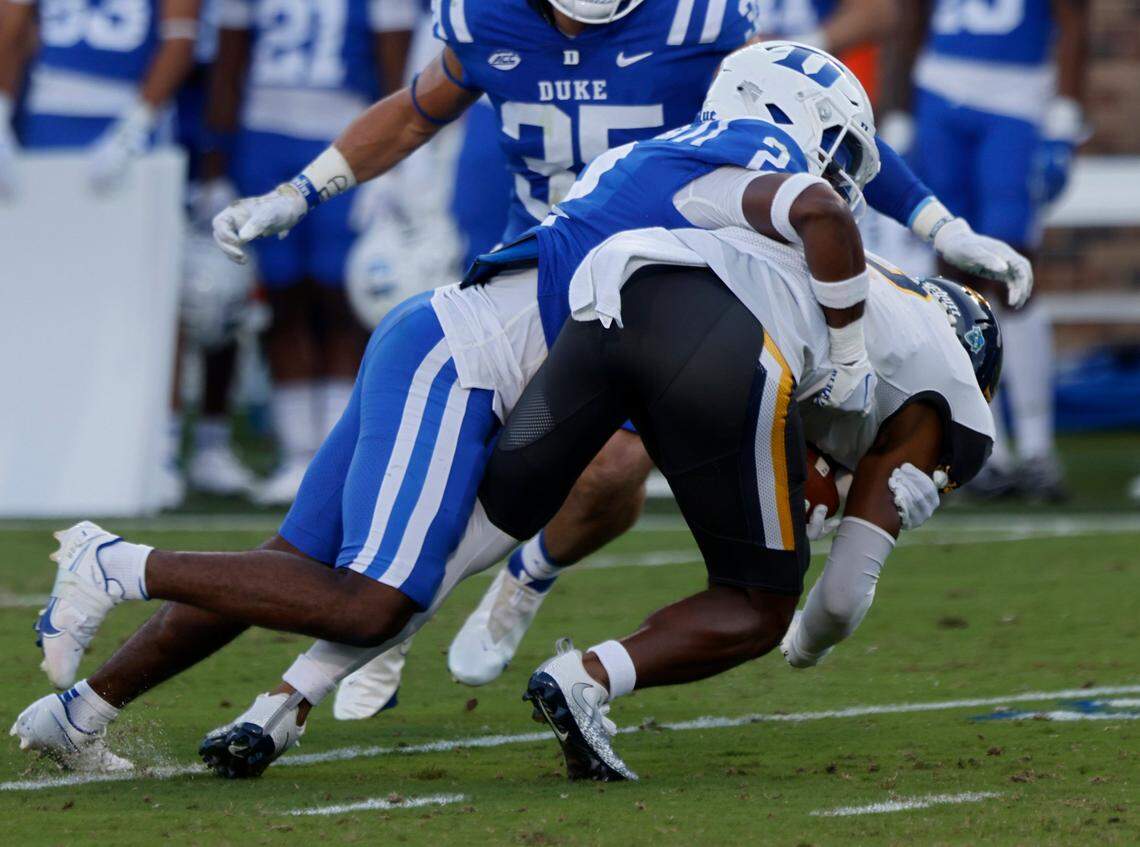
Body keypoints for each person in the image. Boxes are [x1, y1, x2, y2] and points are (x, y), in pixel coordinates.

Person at [13, 40, 884, 775]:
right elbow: (809, 208)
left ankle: (82, 712)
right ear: (788, 115)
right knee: (370, 600)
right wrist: (845, 355)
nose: (841, 176)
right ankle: (116, 561)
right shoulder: (741, 155)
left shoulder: (666, 158)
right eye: (839, 149)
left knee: (297, 561)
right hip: (464, 364)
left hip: (462, 353)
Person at [288, 0, 1030, 716]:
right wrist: (301, 190)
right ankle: (364, 642)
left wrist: (942, 223)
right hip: (549, 256)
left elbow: (824, 116)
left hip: (664, 272)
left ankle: (527, 575)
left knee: (609, 469)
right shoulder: (491, 17)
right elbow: (418, 110)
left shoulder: (703, 19)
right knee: (470, 464)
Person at [497, 235, 1000, 778]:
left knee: (500, 502)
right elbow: (840, 599)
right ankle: (587, 677)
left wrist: (833, 495)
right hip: (724, 344)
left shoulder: (884, 298)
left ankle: (394, 611)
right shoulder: (951, 394)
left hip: (624, 276)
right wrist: (804, 642)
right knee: (759, 604)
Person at [203, 0, 416, 505]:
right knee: (281, 296)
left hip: (344, 139)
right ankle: (299, 453)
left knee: (344, 296)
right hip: (263, 138)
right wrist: (214, 167)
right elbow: (229, 67)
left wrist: (398, 167)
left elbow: (400, 78)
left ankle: (340, 453)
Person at [881, 0, 1089, 500]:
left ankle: (1037, 446)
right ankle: (984, 443)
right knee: (954, 271)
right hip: (939, 87)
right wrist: (897, 110)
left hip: (1017, 94)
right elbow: (907, 18)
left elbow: (1074, 18)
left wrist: (1066, 109)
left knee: (1013, 266)